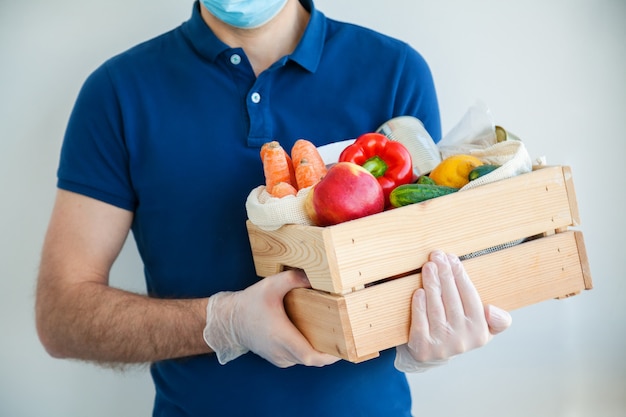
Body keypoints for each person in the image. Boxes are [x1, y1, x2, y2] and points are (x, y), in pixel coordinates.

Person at [35, 0, 512, 416]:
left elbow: (418, 267)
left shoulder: (394, 71)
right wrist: (224, 323)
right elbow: (62, 316)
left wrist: (429, 340)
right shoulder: (117, 93)